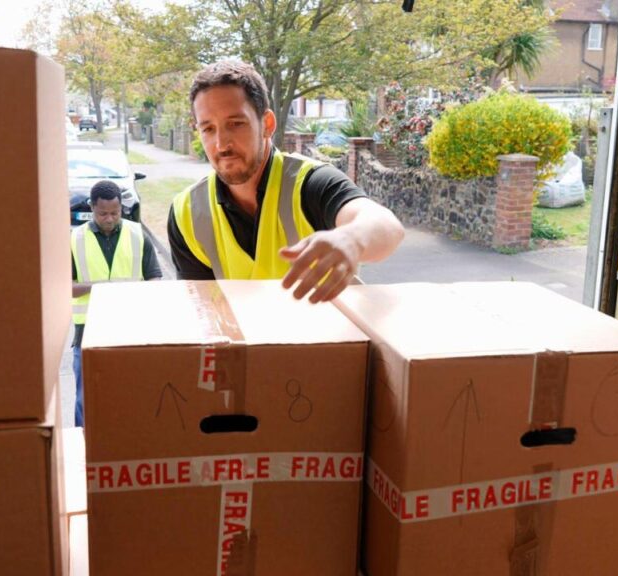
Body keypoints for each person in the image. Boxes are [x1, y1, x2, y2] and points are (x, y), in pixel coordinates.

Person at [168, 60, 404, 303]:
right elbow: (206, 312)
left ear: (267, 124)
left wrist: (351, 239)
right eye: (208, 129)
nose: (221, 144)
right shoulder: (187, 212)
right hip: (242, 339)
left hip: (328, 338)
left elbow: (386, 225)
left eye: (236, 124)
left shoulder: (310, 182)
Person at [72, 180, 161, 426]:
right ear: (92, 208)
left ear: (122, 207)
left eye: (115, 212)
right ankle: (83, 449)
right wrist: (102, 289)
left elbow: (155, 277)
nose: (109, 218)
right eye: (103, 214)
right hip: (87, 333)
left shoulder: (138, 235)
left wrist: (137, 293)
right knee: (85, 400)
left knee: (132, 396)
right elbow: (63, 288)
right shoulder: (75, 239)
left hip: (131, 331)